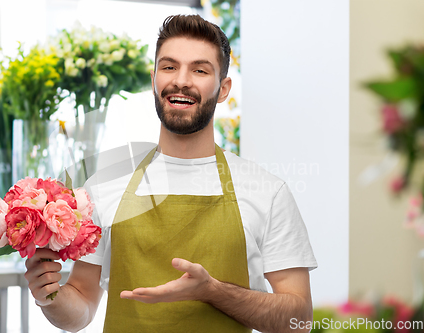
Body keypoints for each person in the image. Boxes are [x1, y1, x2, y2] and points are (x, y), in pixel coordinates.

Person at [24, 14, 317, 333]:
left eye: (200, 70)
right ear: (154, 80)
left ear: (223, 89)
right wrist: (49, 296)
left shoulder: (266, 192)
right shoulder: (105, 187)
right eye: (169, 67)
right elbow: (81, 305)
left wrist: (212, 292)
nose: (181, 80)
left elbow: (298, 319)